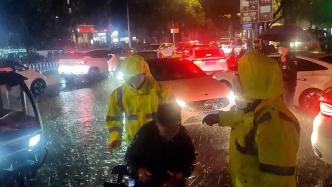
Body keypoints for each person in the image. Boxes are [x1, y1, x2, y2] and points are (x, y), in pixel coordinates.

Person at [203, 50, 300, 187]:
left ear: (254, 82)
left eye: (240, 76)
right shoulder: (256, 108)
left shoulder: (275, 123)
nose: (236, 80)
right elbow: (243, 119)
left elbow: (278, 180)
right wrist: (220, 117)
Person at [105, 55, 173, 152]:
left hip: (159, 144)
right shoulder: (118, 94)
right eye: (129, 77)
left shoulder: (161, 91)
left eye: (137, 76)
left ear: (145, 73)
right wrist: (114, 138)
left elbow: (172, 118)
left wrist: (169, 137)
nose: (133, 80)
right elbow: (114, 119)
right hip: (134, 144)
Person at [125, 103, 196, 187]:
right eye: (166, 131)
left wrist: (182, 174)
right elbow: (129, 158)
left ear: (178, 125)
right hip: (150, 183)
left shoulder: (182, 135)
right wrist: (139, 171)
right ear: (157, 124)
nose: (170, 135)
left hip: (174, 183)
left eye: (173, 130)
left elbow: (191, 160)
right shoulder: (145, 133)